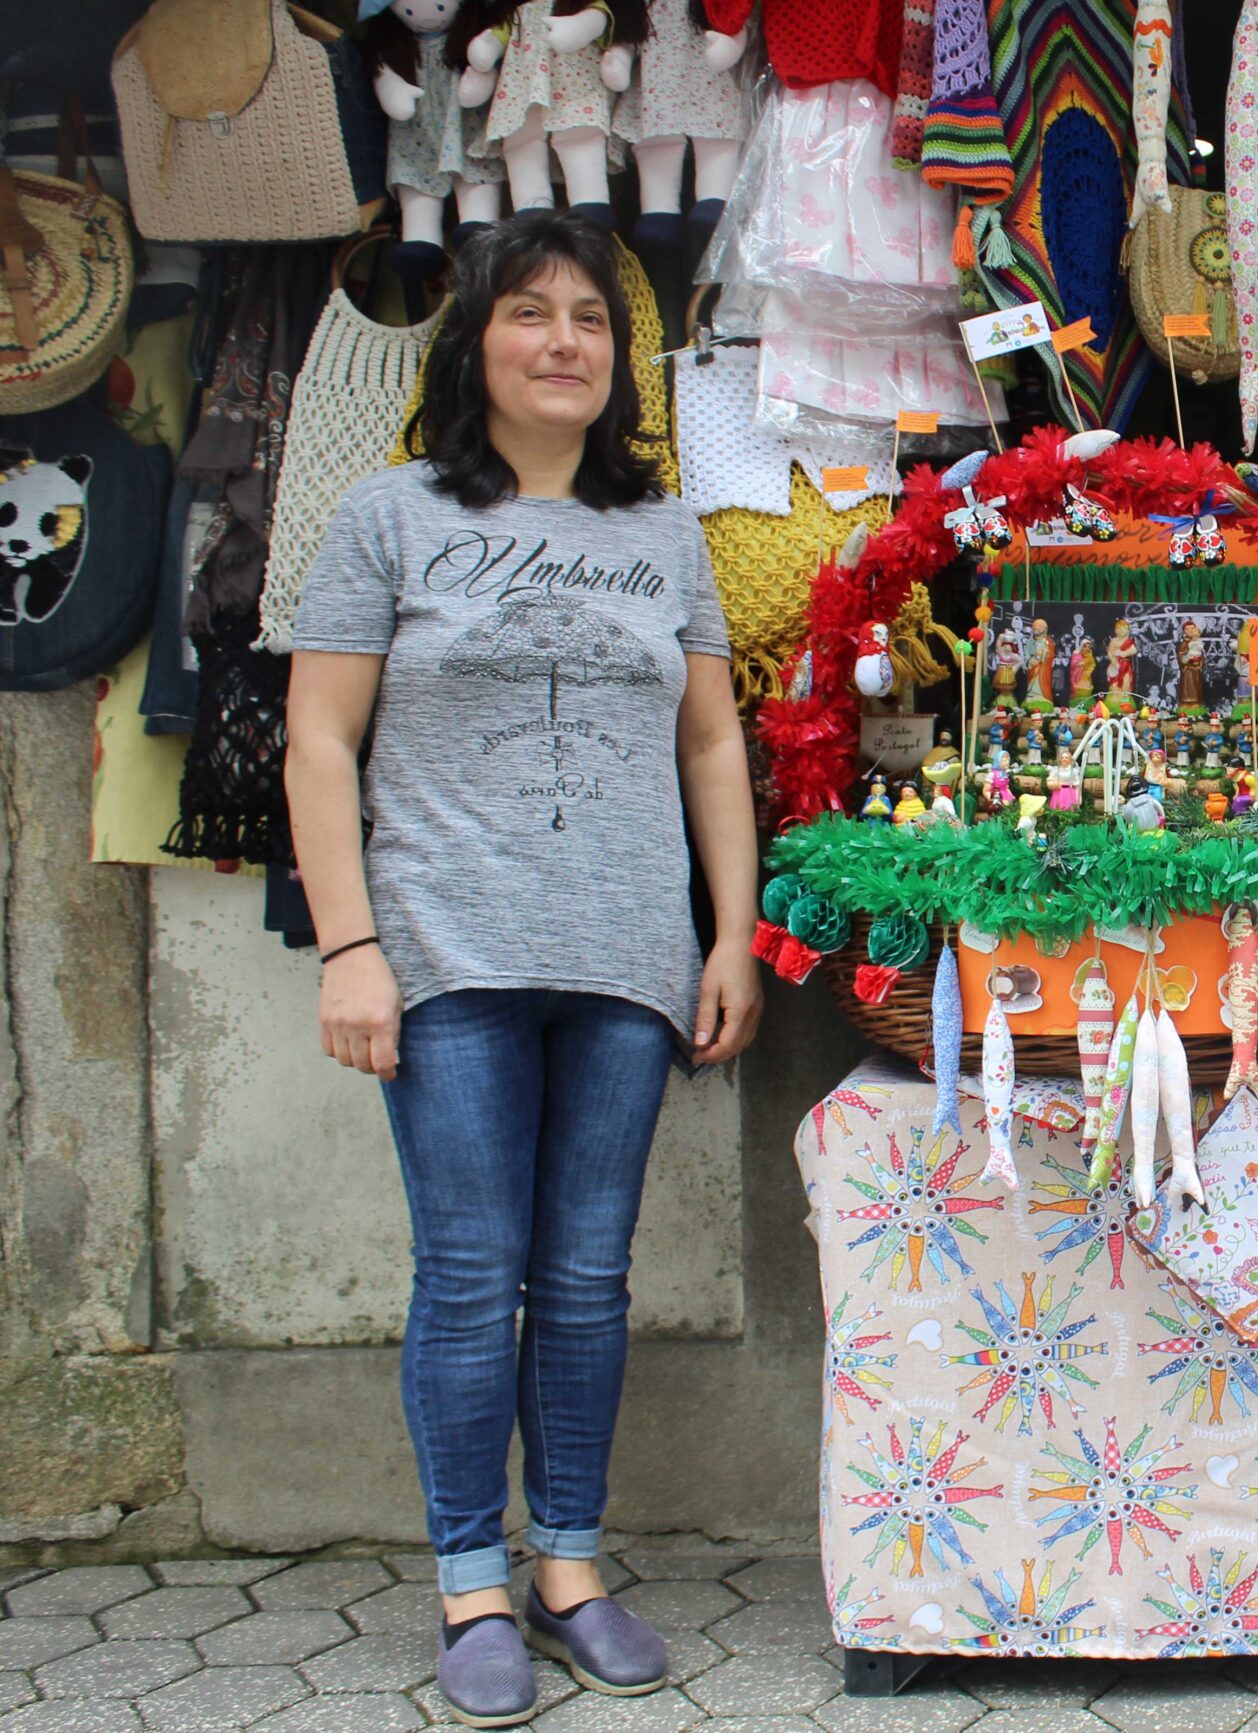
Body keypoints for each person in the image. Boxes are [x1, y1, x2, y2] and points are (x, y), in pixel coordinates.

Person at [284, 210, 764, 1725]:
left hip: (625, 953)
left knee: (584, 1279)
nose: (563, 342)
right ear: (472, 341)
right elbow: (318, 740)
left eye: (590, 322)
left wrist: (731, 931)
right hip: (447, 950)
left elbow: (709, 741)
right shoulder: (390, 514)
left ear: (619, 364)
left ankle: (569, 1563)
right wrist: (352, 946)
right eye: (529, 313)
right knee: (470, 1270)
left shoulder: (664, 532)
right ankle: (468, 1582)